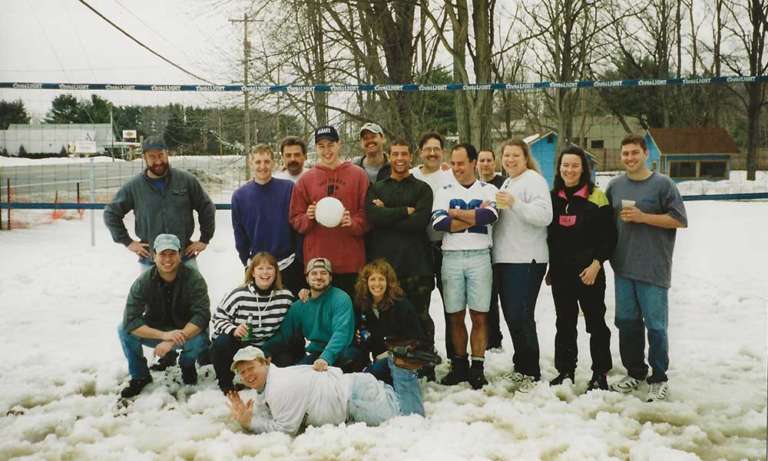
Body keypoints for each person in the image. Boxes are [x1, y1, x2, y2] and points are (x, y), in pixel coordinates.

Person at [606, 134, 687, 402]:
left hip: (653, 268)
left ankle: (659, 377)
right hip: (623, 266)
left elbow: (679, 220)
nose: (629, 158)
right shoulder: (615, 186)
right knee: (626, 323)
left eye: (634, 153)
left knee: (655, 325)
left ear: (646, 154)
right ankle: (635, 371)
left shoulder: (663, 185)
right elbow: (603, 220)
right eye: (625, 153)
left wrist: (644, 217)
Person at [226, 346, 424, 436]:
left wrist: (250, 422)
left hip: (355, 398)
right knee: (392, 399)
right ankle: (388, 367)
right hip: (351, 390)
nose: (247, 375)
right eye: (242, 372)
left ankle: (400, 365)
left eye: (251, 368)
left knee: (412, 417)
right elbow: (269, 410)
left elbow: (286, 430)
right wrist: (249, 415)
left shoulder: (280, 386)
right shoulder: (269, 381)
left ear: (265, 363)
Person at [365, 139, 436, 378]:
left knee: (420, 316)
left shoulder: (422, 189)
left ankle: (425, 364)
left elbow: (419, 222)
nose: (399, 158)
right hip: (386, 267)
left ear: (411, 157)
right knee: (389, 318)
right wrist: (405, 210)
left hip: (417, 265)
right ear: (390, 156)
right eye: (395, 154)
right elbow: (373, 217)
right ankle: (396, 363)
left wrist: (387, 213)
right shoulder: (377, 187)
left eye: (404, 154)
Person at [546, 145, 615, 391]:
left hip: (590, 273)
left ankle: (600, 373)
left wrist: (597, 264)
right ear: (559, 168)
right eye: (565, 165)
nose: (570, 170)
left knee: (595, 323)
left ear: (583, 168)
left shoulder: (597, 196)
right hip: (562, 273)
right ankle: (565, 370)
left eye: (575, 165)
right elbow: (551, 238)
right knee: (564, 323)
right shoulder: (553, 197)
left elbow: (609, 238)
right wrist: (551, 268)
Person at [431, 143, 499, 389]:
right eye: (455, 163)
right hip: (451, 257)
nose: (457, 168)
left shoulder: (488, 188)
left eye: (462, 163)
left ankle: (477, 367)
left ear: (473, 162)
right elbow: (439, 223)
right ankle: (459, 365)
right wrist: (471, 216)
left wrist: (455, 214)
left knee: (480, 315)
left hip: (480, 255)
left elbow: (489, 216)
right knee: (455, 315)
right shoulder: (444, 189)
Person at [117, 234, 210, 398]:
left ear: (180, 255)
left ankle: (187, 365)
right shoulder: (143, 282)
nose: (168, 259)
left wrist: (171, 340)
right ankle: (140, 376)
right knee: (123, 330)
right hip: (157, 329)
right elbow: (131, 320)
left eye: (172, 253)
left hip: (185, 332)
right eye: (163, 254)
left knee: (200, 337)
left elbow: (202, 316)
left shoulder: (194, 279)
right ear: (154, 256)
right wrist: (163, 335)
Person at [492, 138, 553, 393]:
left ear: (525, 157)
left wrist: (515, 203)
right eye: (506, 156)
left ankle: (531, 370)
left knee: (522, 315)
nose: (510, 160)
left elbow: (544, 216)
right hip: (506, 258)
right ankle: (521, 365)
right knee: (512, 316)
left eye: (515, 155)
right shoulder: (509, 181)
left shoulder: (533, 180)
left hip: (527, 259)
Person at [104, 135, 215, 270]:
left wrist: (204, 239)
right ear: (144, 158)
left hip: (184, 257)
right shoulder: (134, 187)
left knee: (196, 291)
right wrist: (128, 242)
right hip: (151, 260)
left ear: (167, 154)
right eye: (152, 157)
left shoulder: (186, 181)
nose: (158, 161)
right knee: (147, 292)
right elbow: (111, 213)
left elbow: (206, 207)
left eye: (161, 155)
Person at [289, 125, 369, 298]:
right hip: (318, 266)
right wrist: (308, 217)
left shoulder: (358, 175)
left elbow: (368, 215)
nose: (327, 151)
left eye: (331, 145)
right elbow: (295, 219)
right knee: (320, 321)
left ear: (339, 144)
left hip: (350, 263)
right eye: (321, 146)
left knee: (348, 318)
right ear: (316, 148)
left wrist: (353, 223)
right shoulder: (306, 180)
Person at [210, 252, 296, 393]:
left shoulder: (285, 297)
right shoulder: (238, 294)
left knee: (288, 357)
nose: (265, 273)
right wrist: (234, 329)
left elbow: (291, 324)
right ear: (253, 272)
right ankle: (226, 385)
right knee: (221, 343)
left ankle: (269, 387)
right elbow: (218, 318)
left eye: (269, 268)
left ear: (276, 272)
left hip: (268, 347)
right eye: (260, 268)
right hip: (242, 344)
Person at [261, 257, 365, 372]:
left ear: (330, 278)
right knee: (297, 374)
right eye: (314, 273)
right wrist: (264, 351)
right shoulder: (299, 306)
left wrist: (326, 358)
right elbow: (284, 334)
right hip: (317, 354)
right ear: (307, 278)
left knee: (348, 360)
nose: (319, 277)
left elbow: (341, 332)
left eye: (323, 273)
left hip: (343, 351)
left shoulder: (341, 298)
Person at [231, 144, 303, 294]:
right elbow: (240, 236)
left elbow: (297, 226)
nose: (262, 166)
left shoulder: (288, 189)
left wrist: (298, 258)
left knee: (290, 312)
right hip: (259, 269)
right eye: (258, 162)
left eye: (266, 161)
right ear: (251, 163)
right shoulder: (240, 196)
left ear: (274, 163)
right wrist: (248, 264)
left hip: (288, 265)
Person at [411, 132, 455, 361]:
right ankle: (425, 352)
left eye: (437, 148)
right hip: (419, 248)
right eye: (428, 149)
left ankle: (455, 355)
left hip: (446, 246)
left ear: (443, 152)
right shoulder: (411, 176)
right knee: (421, 306)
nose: (432, 153)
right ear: (420, 152)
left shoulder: (450, 177)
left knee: (452, 306)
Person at [353, 259, 428, 385]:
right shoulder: (363, 306)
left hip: (402, 358)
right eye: (372, 279)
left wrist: (387, 354)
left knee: (371, 376)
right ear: (366, 282)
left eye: (381, 279)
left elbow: (416, 339)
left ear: (389, 282)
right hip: (378, 361)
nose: (377, 284)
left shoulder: (401, 305)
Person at [477, 148, 506, 350]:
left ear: (495, 162)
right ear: (476, 163)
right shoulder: (473, 185)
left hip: (503, 247)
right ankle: (490, 338)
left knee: (497, 295)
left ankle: (495, 340)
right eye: (482, 160)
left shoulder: (503, 183)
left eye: (489, 160)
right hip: (481, 247)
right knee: (486, 297)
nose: (486, 164)